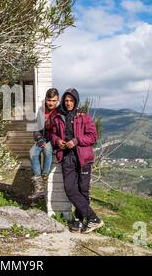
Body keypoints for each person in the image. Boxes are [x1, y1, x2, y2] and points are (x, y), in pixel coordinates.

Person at [51, 88, 104, 233]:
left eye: (71, 100)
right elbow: (53, 135)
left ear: (76, 101)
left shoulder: (84, 117)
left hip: (83, 158)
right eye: (66, 100)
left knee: (83, 191)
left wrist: (76, 140)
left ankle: (81, 222)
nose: (68, 103)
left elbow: (93, 137)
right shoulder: (58, 117)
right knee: (70, 189)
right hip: (67, 157)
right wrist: (57, 141)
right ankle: (93, 218)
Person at [29, 88, 60, 200]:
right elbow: (36, 127)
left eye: (53, 101)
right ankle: (38, 184)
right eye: (49, 100)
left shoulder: (60, 110)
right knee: (32, 152)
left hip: (54, 138)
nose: (51, 103)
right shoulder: (41, 110)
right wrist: (38, 138)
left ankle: (44, 177)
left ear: (58, 100)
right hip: (43, 137)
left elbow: (71, 112)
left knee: (47, 150)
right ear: (46, 99)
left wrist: (79, 110)